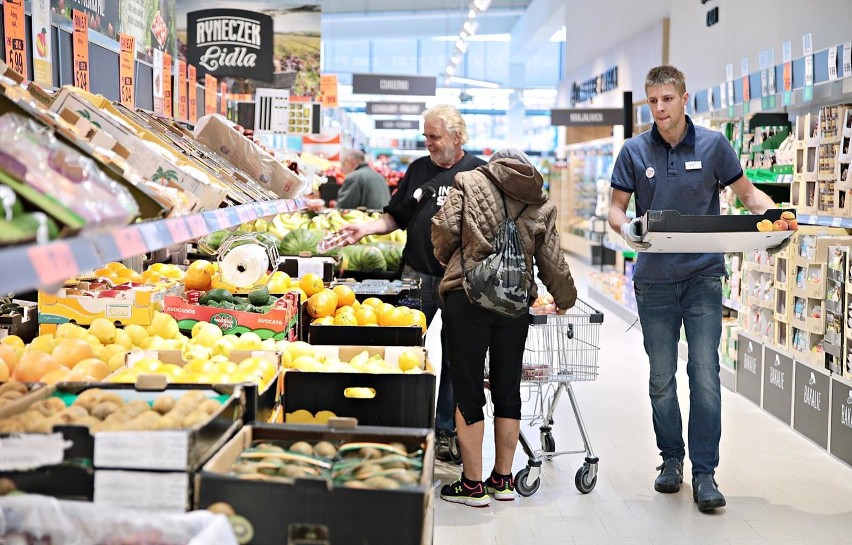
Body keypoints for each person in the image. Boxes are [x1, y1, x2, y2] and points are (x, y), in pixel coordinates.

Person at [608, 65, 783, 512]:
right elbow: (615, 210)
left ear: (685, 98)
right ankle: (671, 461)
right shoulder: (633, 151)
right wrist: (627, 231)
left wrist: (777, 216)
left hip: (704, 276)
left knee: (705, 374)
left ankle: (705, 474)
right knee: (661, 380)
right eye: (653, 101)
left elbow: (748, 195)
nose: (660, 108)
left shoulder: (713, 145)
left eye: (667, 99)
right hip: (654, 282)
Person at [335, 104, 486, 461]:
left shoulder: (480, 172)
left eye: (434, 136)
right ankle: (398, 422)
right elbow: (395, 217)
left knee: (455, 359)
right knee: (401, 349)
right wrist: (365, 228)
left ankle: (446, 429)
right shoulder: (418, 169)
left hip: (459, 282)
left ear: (456, 136)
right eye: (426, 136)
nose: (429, 143)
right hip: (415, 277)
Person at [431, 148, 577, 506]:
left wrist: (454, 258)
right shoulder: (540, 201)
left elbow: (444, 230)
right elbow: (552, 259)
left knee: (468, 389)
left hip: (467, 296)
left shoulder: (468, 181)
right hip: (514, 304)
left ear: (495, 164)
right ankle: (504, 479)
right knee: (507, 387)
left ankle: (471, 485)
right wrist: (565, 297)